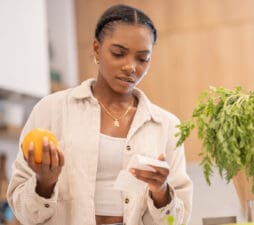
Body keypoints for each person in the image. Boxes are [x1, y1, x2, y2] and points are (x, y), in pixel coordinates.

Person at [7, 4, 193, 225]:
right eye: (118, 53)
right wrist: (44, 183)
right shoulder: (51, 109)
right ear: (96, 49)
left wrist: (161, 192)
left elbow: (176, 221)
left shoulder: (167, 126)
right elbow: (23, 213)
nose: (131, 67)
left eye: (142, 59)